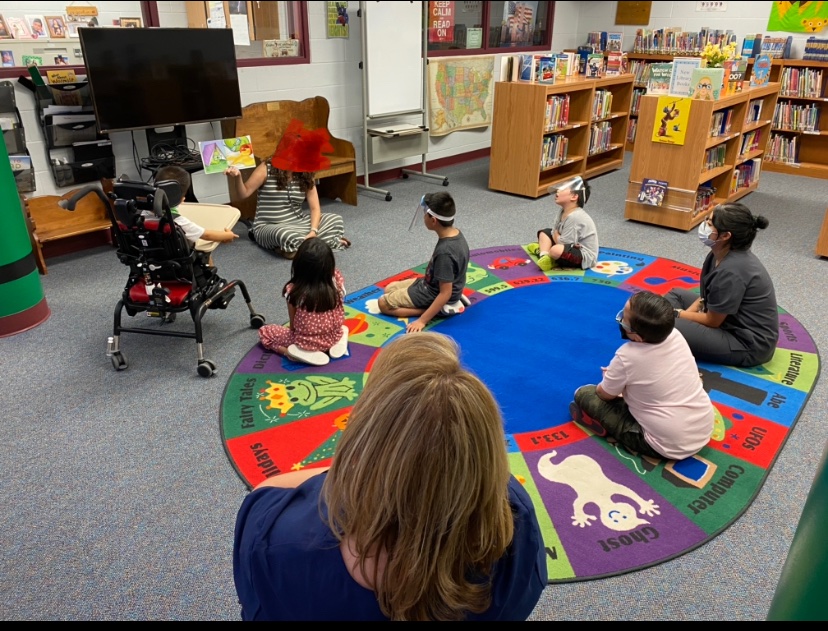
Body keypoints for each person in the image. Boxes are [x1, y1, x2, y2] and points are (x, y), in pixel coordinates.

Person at [233, 332, 548, 621]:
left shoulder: (280, 541)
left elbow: (264, 494)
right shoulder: (516, 525)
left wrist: (355, 469)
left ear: (363, 442)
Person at [571, 291, 714, 461]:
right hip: (704, 427)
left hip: (669, 445)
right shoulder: (676, 335)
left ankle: (617, 431)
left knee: (584, 393)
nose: (621, 319)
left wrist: (613, 381)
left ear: (636, 336)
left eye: (624, 318)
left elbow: (604, 395)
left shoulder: (627, 356)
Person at [665, 202, 778, 368]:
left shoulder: (732, 270)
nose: (704, 226)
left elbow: (712, 321)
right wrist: (684, 315)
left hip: (747, 345)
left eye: (709, 224)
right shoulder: (718, 254)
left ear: (725, 236)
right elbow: (705, 297)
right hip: (728, 321)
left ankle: (667, 335)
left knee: (662, 324)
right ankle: (670, 333)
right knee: (676, 294)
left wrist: (678, 315)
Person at [225, 119, 349, 260]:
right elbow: (244, 193)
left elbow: (315, 209)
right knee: (286, 235)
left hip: (298, 222)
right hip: (269, 226)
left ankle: (300, 247)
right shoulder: (267, 168)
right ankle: (320, 244)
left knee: (335, 219)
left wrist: (313, 231)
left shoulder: (306, 172)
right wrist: (237, 177)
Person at [376, 192, 470, 333]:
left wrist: (422, 320)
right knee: (389, 288)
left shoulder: (445, 252)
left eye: (425, 214)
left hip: (434, 292)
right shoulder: (456, 233)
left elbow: (445, 293)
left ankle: (435, 310)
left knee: (383, 304)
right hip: (431, 284)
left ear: (433, 221)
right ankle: (442, 305)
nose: (423, 217)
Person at [257, 236, 349, 366]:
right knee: (342, 328)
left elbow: (293, 324)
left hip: (306, 342)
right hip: (334, 335)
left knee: (265, 332)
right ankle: (337, 342)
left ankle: (290, 352)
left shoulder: (294, 291)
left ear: (298, 265)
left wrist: (295, 334)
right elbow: (341, 303)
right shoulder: (337, 280)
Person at [153, 165, 239, 266]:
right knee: (205, 253)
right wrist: (227, 235)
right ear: (182, 199)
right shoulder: (178, 222)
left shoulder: (142, 214)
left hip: (153, 261)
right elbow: (207, 235)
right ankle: (209, 274)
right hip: (177, 264)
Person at [526, 175, 599, 272]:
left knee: (556, 250)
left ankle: (548, 254)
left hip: (584, 255)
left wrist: (556, 235)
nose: (558, 191)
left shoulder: (575, 216)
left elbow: (565, 243)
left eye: (563, 189)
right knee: (544, 233)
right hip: (565, 242)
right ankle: (544, 256)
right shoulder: (562, 210)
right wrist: (555, 235)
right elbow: (553, 231)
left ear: (574, 197)